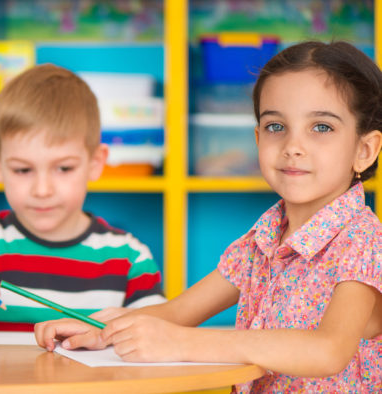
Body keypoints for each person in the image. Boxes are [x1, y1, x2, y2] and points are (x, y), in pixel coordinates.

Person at [35, 41, 382, 393]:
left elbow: (328, 351)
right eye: (276, 127)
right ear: (257, 137)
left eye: (321, 127)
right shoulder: (261, 240)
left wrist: (182, 343)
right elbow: (177, 313)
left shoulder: (363, 241)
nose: (293, 145)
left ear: (364, 150)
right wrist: (101, 330)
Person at [0, 63, 165, 331]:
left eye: (64, 168)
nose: (42, 190)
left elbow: (157, 336)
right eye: (23, 169)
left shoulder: (129, 259)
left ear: (95, 163)